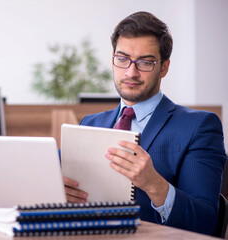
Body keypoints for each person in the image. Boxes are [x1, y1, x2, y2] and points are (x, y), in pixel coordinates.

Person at [63, 11, 227, 235]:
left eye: (145, 62)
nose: (131, 72)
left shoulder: (199, 126)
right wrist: (59, 193)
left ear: (164, 67)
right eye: (122, 59)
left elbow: (205, 223)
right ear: (113, 60)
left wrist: (154, 184)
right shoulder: (88, 124)